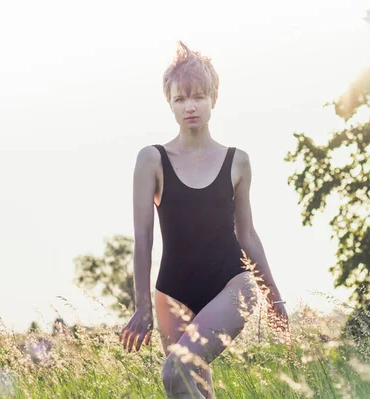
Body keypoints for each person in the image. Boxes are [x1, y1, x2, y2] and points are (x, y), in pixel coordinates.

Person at [119, 41, 289, 399]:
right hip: (172, 291)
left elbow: (247, 234)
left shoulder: (237, 161)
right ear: (170, 104)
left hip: (231, 284)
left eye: (198, 97)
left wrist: (274, 298)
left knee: (175, 371)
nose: (190, 107)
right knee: (189, 389)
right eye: (180, 99)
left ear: (214, 98)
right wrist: (142, 306)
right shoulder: (151, 160)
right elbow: (143, 238)